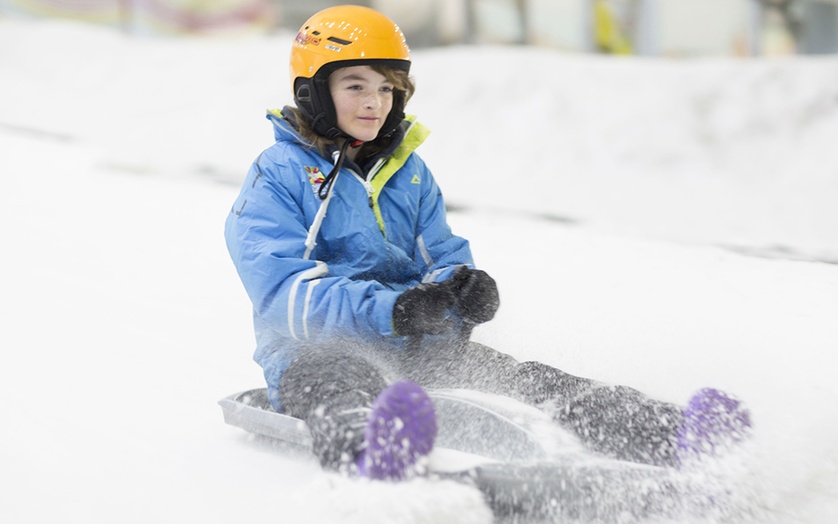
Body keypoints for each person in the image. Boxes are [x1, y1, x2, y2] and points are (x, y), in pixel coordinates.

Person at [224, 5, 751, 481]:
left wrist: (460, 294)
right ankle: (376, 451)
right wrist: (394, 310)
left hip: (418, 348)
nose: (375, 103)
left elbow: (442, 255)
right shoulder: (280, 175)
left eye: (387, 88)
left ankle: (669, 432)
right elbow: (284, 294)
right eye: (356, 86)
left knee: (525, 381)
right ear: (311, 92)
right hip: (312, 353)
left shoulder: (408, 171)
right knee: (340, 382)